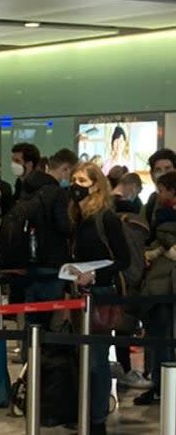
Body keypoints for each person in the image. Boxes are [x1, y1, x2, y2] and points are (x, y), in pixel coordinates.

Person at [70, 162, 130, 435]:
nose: (75, 186)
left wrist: (94, 275)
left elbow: (123, 260)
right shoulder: (77, 216)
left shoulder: (106, 218)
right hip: (78, 295)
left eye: (81, 180)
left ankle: (96, 420)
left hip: (101, 293)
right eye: (74, 179)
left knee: (96, 361)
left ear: (95, 185)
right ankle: (85, 413)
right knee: (83, 358)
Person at [20, 149, 77, 330]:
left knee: (32, 318)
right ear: (65, 169)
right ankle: (46, 356)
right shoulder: (56, 193)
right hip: (52, 261)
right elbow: (63, 227)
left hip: (29, 258)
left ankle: (29, 355)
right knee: (50, 319)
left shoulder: (28, 188)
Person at [135, 170, 176, 405]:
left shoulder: (161, 212)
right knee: (159, 337)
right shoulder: (154, 208)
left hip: (164, 282)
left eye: (163, 190)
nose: (159, 194)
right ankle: (159, 384)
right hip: (160, 285)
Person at [144, 148, 176, 232]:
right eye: (158, 170)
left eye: (168, 168)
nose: (163, 173)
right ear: (152, 174)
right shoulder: (152, 200)